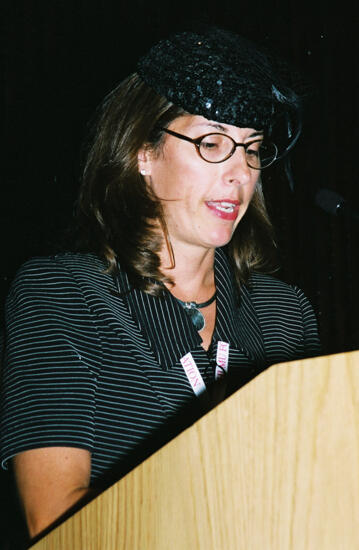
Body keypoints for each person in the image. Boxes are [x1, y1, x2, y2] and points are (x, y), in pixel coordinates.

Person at [0, 25, 320, 540]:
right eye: (213, 143)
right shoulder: (61, 295)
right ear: (141, 152)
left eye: (252, 149)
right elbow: (56, 521)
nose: (240, 173)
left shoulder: (285, 314)